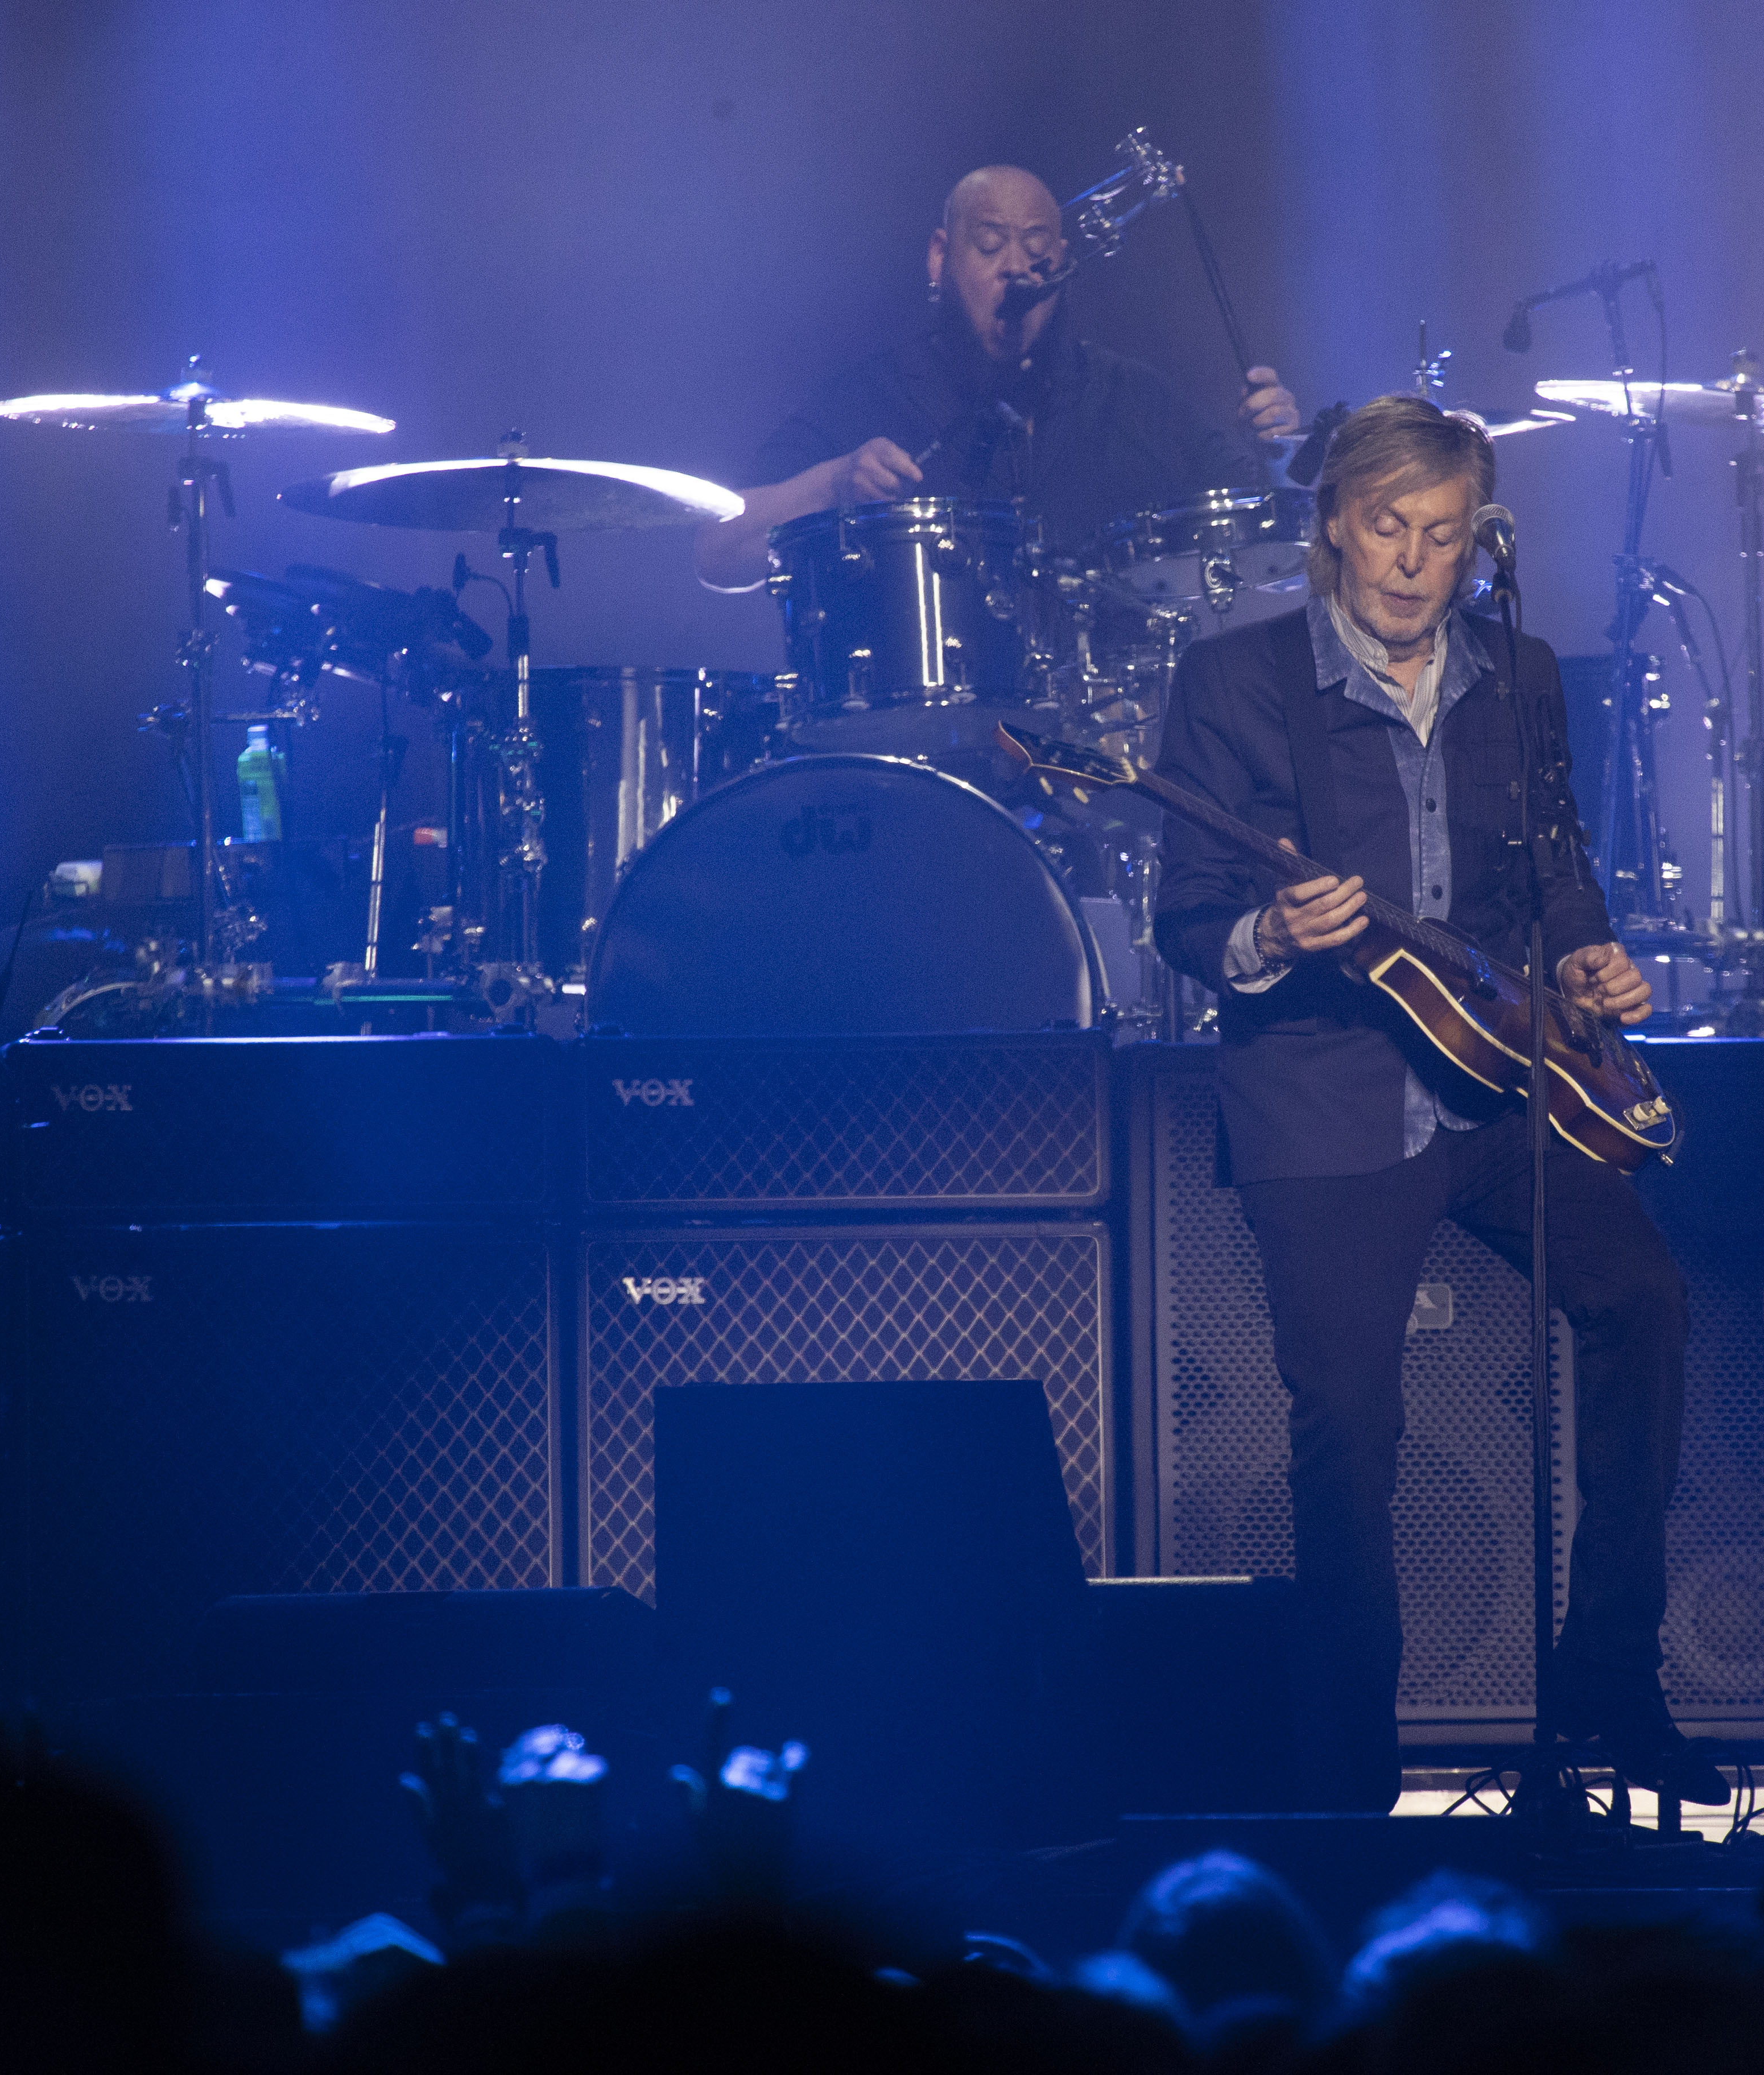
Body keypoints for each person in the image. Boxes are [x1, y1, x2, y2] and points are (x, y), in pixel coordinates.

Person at [1148, 394, 1710, 1811]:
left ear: (1477, 545)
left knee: (1642, 1301)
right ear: (1335, 524)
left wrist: (1587, 954)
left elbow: (1555, 863)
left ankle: (1608, 1682)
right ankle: (1349, 1764)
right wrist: (1273, 938)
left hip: (1506, 1083)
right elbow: (1188, 916)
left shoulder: (1517, 672)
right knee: (1348, 1424)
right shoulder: (1237, 681)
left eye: (1444, 538)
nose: (1412, 563)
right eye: (1389, 529)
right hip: (1325, 1100)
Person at [696, 163, 1300, 590]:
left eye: (1038, 254)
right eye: (989, 246)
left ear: (1062, 267)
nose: (1016, 269)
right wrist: (834, 484)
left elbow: (1276, 565)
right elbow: (718, 554)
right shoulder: (872, 395)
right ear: (940, 256)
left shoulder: (1127, 395)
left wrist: (1277, 453)